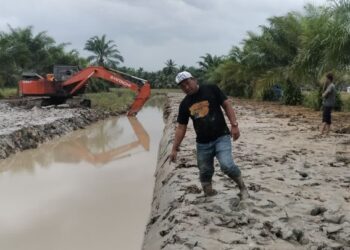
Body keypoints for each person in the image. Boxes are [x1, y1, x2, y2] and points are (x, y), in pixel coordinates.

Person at [169, 71, 249, 200]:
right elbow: (181, 127)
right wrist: (174, 148)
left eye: (187, 83)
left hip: (221, 137)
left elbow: (226, 104)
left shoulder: (211, 89)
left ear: (194, 80)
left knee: (227, 165)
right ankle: (209, 194)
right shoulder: (184, 104)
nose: (186, 87)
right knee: (205, 171)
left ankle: (242, 188)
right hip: (202, 143)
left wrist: (234, 125)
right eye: (182, 86)